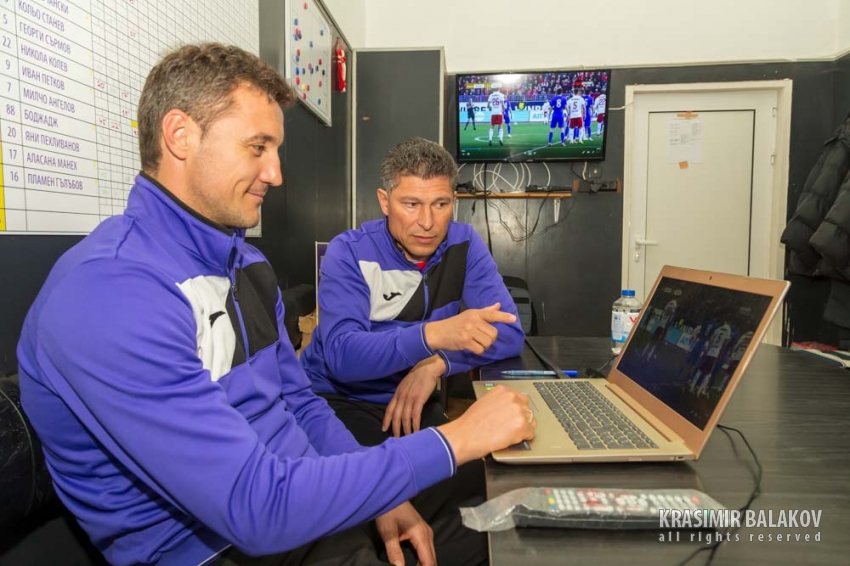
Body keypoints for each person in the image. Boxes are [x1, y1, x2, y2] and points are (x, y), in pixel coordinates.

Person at [16, 43, 536, 566]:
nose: (276, 173)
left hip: (296, 511)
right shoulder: (109, 291)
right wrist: (455, 439)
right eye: (257, 147)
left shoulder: (246, 264)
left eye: (276, 150)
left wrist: (384, 495)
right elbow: (257, 506)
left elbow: (300, 403)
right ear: (180, 135)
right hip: (216, 546)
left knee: (517, 530)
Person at [301, 137, 525, 444]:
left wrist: (436, 364)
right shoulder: (349, 251)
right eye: (411, 204)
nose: (427, 223)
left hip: (411, 393)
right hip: (335, 397)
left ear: (454, 201)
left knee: (473, 471)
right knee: (382, 475)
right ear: (385, 201)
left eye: (440, 204)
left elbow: (509, 333)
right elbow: (343, 357)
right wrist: (432, 336)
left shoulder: (465, 243)